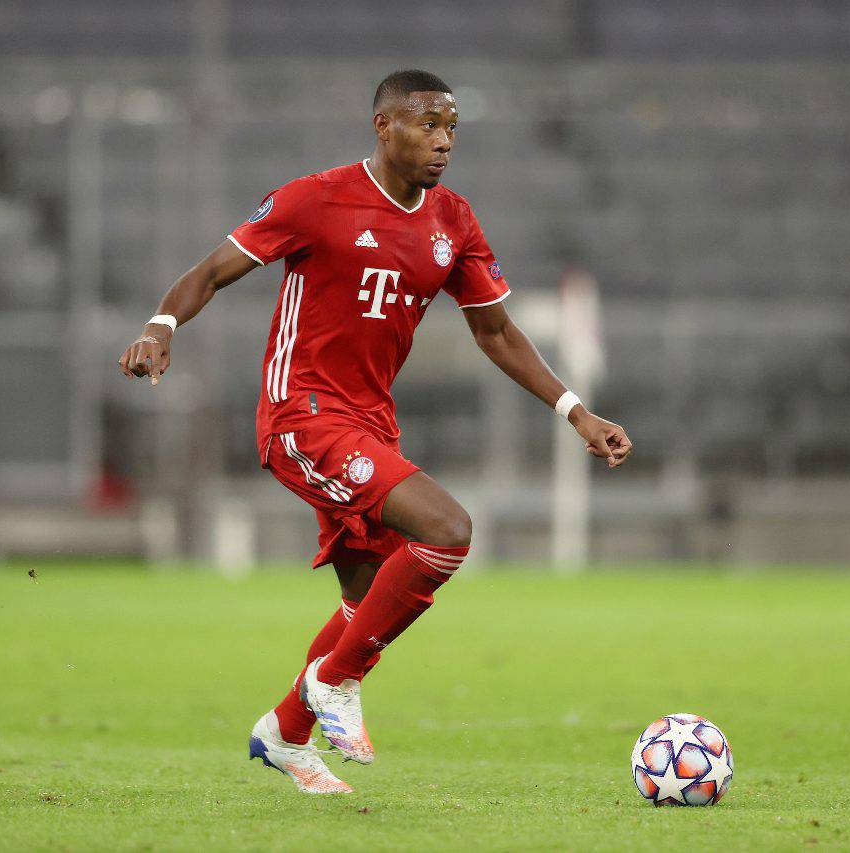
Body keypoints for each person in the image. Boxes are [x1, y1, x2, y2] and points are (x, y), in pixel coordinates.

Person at [119, 69, 632, 794]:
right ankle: (334, 679)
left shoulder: (453, 221)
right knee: (447, 529)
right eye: (427, 124)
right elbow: (211, 271)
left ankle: (286, 733)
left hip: (369, 425)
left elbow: (497, 333)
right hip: (301, 415)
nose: (443, 141)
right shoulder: (315, 199)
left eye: (451, 127)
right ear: (383, 127)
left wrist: (577, 411)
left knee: (369, 597)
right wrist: (160, 326)